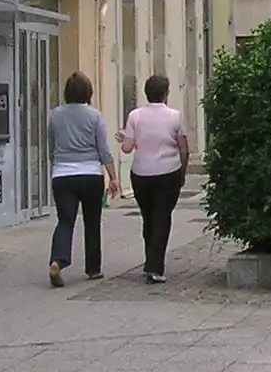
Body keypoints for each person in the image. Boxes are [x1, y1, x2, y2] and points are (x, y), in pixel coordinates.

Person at [47, 71, 119, 288]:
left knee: (65, 221)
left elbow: (51, 147)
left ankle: (57, 260)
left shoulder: (54, 115)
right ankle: (93, 268)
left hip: (62, 175)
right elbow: (104, 149)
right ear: (89, 92)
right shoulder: (95, 116)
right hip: (90, 174)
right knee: (92, 221)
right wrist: (113, 177)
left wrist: (57, 164)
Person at [119, 74, 190, 284]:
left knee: (148, 217)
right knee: (162, 217)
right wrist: (182, 172)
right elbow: (183, 148)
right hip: (168, 171)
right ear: (165, 94)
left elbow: (127, 148)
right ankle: (155, 266)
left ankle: (150, 258)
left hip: (141, 174)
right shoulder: (175, 117)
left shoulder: (135, 116)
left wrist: (124, 138)